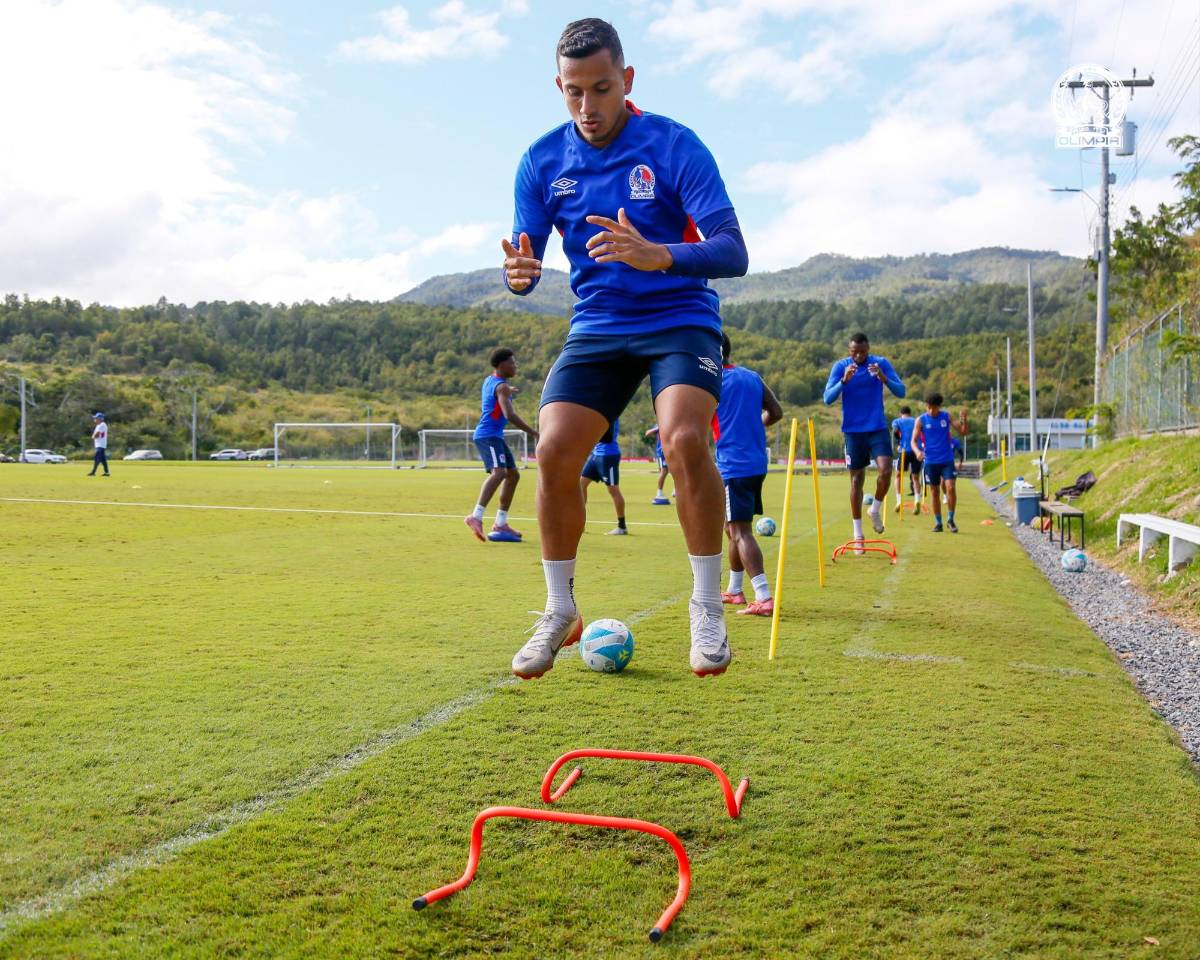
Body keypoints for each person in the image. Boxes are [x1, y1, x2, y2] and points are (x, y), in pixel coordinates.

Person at [501, 18, 749, 679]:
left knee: (685, 440)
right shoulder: (541, 161)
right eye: (574, 92)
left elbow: (733, 249)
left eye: (602, 89)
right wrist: (519, 276)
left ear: (627, 80)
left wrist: (659, 253)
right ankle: (559, 611)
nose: (588, 107)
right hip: (599, 326)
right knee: (553, 449)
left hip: (679, 315)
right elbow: (524, 254)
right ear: (559, 87)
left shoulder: (672, 145)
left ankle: (706, 608)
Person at [715, 333, 783, 616]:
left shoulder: (711, 382)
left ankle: (764, 597)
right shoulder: (752, 377)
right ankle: (734, 590)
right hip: (755, 462)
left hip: (734, 465)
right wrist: (753, 428)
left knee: (740, 531)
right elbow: (776, 412)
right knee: (732, 528)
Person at [823, 333, 905, 544]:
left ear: (868, 349)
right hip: (852, 431)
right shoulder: (841, 367)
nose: (859, 356)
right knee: (856, 481)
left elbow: (901, 391)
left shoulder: (880, 363)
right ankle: (857, 533)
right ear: (849, 351)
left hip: (876, 427)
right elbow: (827, 399)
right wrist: (843, 381)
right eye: (854, 352)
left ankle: (875, 509)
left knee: (886, 470)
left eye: (862, 352)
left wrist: (884, 378)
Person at [465, 348, 538, 543]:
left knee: (513, 475)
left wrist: (509, 390)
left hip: (493, 436)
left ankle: (500, 523)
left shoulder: (492, 381)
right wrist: (534, 433)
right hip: (488, 436)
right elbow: (509, 415)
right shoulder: (502, 387)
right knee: (500, 473)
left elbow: (497, 393)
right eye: (513, 363)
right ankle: (476, 516)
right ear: (502, 365)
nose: (516, 366)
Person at [911, 393, 968, 533]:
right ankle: (938, 522)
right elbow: (913, 441)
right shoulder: (921, 420)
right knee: (935, 492)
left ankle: (950, 520)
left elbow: (963, 432)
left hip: (947, 460)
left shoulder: (946, 416)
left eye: (934, 408)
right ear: (926, 406)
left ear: (939, 407)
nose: (931, 411)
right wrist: (918, 452)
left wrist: (964, 420)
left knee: (950, 487)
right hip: (930, 461)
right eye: (928, 407)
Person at [580, 418, 628, 535]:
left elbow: (608, 437)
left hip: (608, 455)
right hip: (596, 455)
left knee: (613, 489)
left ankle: (622, 527)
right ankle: (580, 524)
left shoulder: (610, 412)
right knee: (581, 484)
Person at [890, 405, 918, 508]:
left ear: (901, 414)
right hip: (916, 450)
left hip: (904, 450)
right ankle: (917, 500)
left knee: (898, 476)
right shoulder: (916, 420)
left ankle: (898, 501)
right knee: (915, 477)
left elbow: (895, 431)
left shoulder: (897, 421)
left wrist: (899, 442)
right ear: (910, 413)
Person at [645, 424, 672, 504]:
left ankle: (676, 491)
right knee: (664, 471)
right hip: (662, 452)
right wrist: (658, 428)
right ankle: (659, 493)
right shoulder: (659, 424)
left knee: (676, 470)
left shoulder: (671, 421)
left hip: (670, 451)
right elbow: (647, 433)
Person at [87, 412, 110, 477]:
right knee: (103, 459)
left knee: (97, 458)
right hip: (99, 444)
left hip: (100, 444)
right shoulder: (98, 425)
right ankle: (107, 472)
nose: (95, 419)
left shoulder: (102, 424)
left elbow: (96, 434)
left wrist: (93, 436)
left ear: (100, 419)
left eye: (96, 418)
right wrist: (94, 436)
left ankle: (93, 472)